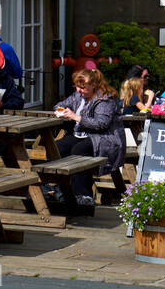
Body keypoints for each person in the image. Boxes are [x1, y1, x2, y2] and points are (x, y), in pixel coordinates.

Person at [53, 68, 125, 208]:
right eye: (77, 87)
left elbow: (101, 124)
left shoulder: (105, 99)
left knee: (78, 150)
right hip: (82, 134)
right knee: (58, 147)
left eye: (83, 87)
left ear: (94, 85)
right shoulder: (78, 96)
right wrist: (60, 110)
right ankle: (60, 187)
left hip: (105, 139)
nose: (79, 90)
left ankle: (83, 194)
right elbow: (61, 104)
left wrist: (76, 117)